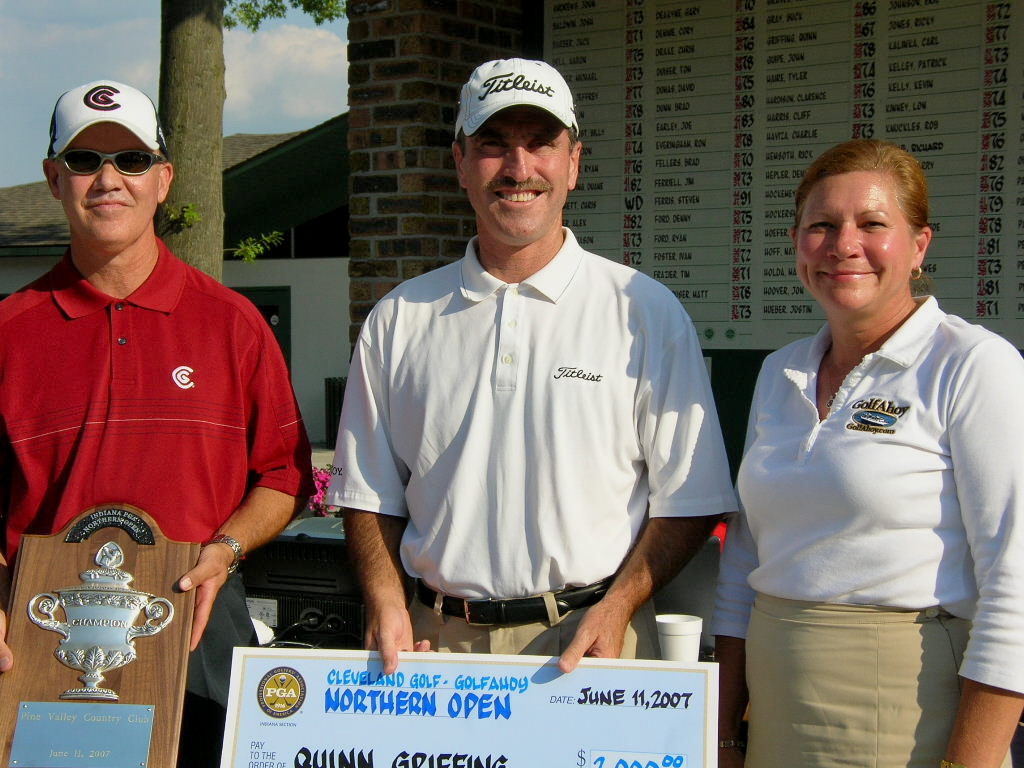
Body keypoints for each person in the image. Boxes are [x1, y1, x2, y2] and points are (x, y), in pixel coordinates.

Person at [329, 58, 736, 676]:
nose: (519, 169)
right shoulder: (399, 319)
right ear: (460, 161)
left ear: (573, 162)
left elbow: (691, 496)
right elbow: (368, 493)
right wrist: (387, 603)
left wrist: (620, 605)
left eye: (541, 144)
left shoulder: (644, 312)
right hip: (434, 646)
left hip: (595, 641)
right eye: (494, 145)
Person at [0, 80, 313, 765]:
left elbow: (283, 477)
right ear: (54, 179)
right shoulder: (8, 332)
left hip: (198, 630)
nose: (108, 179)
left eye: (131, 161)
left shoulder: (234, 325)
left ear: (164, 179)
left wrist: (225, 551)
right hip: (41, 642)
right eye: (84, 162)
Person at [713, 139, 1024, 768]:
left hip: (904, 719)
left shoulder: (971, 365)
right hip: (773, 714)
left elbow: (1015, 582)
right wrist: (721, 735)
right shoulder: (781, 373)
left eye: (873, 224)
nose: (843, 245)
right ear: (797, 244)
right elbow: (744, 563)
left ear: (919, 245)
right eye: (821, 226)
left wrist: (971, 763)